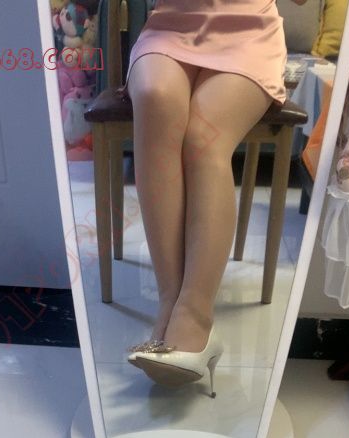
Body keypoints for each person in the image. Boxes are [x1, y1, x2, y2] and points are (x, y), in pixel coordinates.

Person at [116, 0, 299, 388]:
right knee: (155, 96)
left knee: (203, 137)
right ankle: (170, 301)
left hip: (248, 32)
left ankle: (195, 314)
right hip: (169, 26)